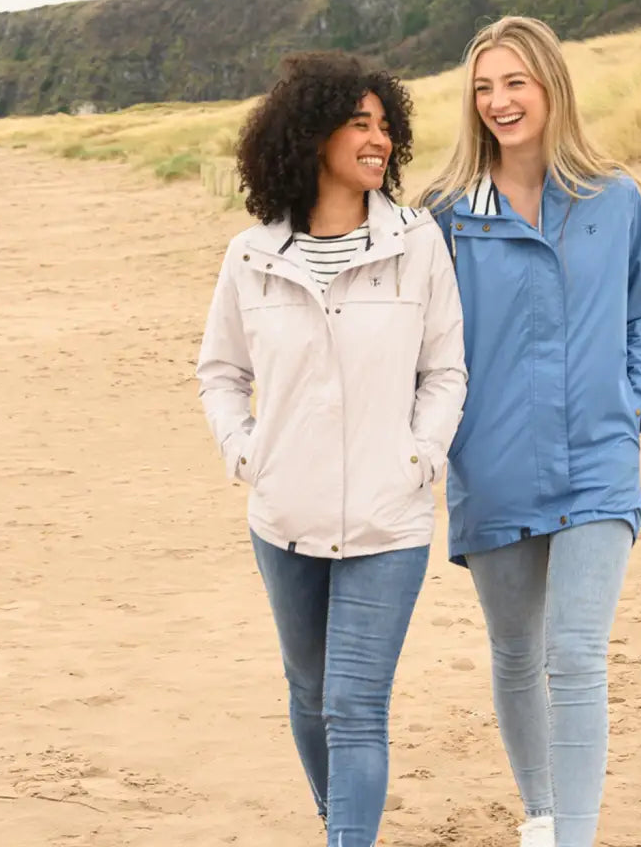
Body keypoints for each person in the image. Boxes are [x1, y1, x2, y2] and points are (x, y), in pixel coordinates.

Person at [196, 52, 467, 847]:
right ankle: (337, 820)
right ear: (311, 134)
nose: (378, 138)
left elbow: (445, 369)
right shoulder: (251, 256)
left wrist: (420, 458)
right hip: (283, 515)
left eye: (386, 125)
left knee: (355, 706)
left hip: (389, 520)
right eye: (359, 123)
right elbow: (220, 371)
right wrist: (246, 451)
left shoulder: (416, 243)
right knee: (309, 689)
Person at [419, 16, 641, 847]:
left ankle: (575, 840)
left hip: (598, 459)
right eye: (484, 88)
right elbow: (422, 341)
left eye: (515, 82)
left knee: (577, 655)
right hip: (491, 465)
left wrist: (633, 405)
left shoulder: (614, 197)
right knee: (518, 654)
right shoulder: (448, 214)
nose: (499, 102)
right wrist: (443, 436)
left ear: (552, 85)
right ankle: (542, 818)